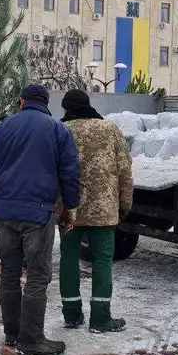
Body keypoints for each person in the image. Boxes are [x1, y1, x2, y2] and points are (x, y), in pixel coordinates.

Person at [0, 84, 81, 355]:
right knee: (37, 276)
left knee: (9, 273)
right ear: (47, 104)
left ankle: (12, 333)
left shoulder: (3, 128)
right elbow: (70, 172)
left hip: (5, 213)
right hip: (38, 214)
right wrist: (71, 206)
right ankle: (31, 339)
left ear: (21, 102)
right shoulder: (58, 129)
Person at [57, 90, 133, 333]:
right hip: (103, 209)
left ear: (67, 108)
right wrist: (125, 205)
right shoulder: (110, 130)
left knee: (69, 259)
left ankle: (71, 314)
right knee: (102, 261)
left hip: (69, 209)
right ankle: (100, 318)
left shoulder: (61, 130)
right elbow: (124, 171)